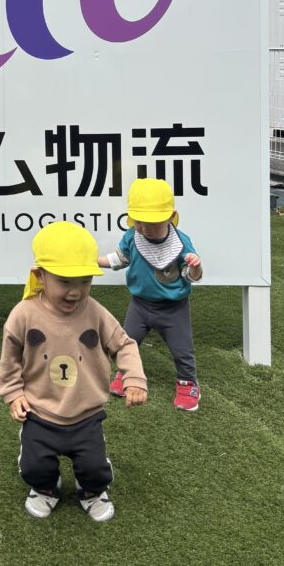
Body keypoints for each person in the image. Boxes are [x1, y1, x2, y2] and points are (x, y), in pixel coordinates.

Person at [0, 221, 147, 523]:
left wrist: (134, 378)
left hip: (86, 414)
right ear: (40, 275)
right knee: (35, 467)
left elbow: (124, 344)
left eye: (84, 281)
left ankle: (91, 490)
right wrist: (13, 394)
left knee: (93, 468)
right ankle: (45, 487)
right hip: (39, 411)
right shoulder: (23, 314)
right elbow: (10, 358)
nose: (75, 292)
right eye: (65, 281)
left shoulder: (95, 312)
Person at [98, 177, 203, 412]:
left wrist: (195, 266)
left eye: (152, 223)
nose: (144, 229)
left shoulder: (180, 242)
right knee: (126, 342)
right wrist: (95, 261)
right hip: (140, 305)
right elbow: (119, 259)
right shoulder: (132, 236)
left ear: (170, 216)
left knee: (182, 349)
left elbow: (191, 276)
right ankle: (126, 374)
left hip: (173, 308)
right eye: (138, 222)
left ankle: (188, 383)